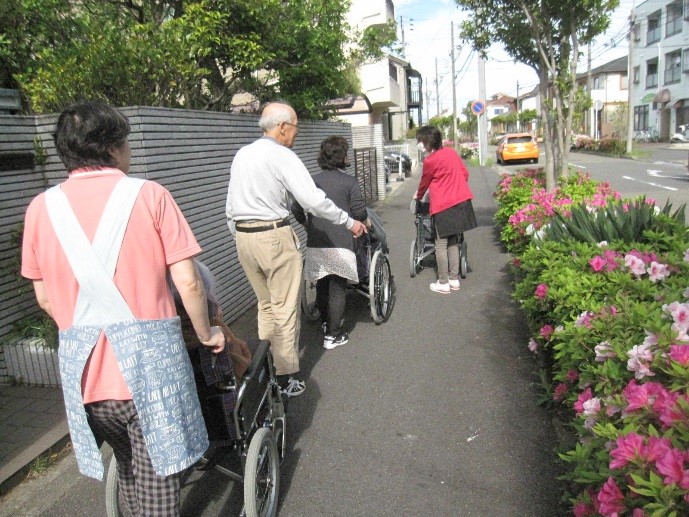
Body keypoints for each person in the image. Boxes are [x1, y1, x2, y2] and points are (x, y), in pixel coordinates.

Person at [21, 100, 225, 516]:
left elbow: (44, 297)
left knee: (131, 473)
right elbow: (188, 281)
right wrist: (207, 334)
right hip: (149, 379)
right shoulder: (150, 195)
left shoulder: (41, 208)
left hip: (87, 381)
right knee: (158, 494)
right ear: (113, 147)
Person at [226, 102, 367, 397]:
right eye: (295, 127)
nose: (295, 133)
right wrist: (348, 221)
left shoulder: (243, 154)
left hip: (243, 236)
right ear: (281, 127)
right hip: (272, 235)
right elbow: (312, 200)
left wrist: (239, 234)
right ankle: (286, 376)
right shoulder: (281, 155)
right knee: (286, 309)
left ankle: (265, 364)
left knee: (265, 305)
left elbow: (230, 204)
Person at [292, 136, 370, 349]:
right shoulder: (350, 182)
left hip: (317, 241)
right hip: (341, 242)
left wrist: (307, 225)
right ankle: (333, 335)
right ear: (343, 156)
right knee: (337, 288)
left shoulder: (312, 182)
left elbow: (296, 208)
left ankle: (326, 324)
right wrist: (360, 222)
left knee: (323, 284)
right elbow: (360, 211)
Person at [414, 125, 477, 294]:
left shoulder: (430, 161)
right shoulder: (451, 152)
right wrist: (455, 186)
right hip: (462, 201)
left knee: (440, 243)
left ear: (427, 143)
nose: (419, 144)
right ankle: (453, 279)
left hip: (444, 205)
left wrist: (418, 197)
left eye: (420, 141)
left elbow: (424, 183)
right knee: (454, 241)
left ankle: (443, 282)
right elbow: (464, 174)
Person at [169, 259, 252, 380]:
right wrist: (244, 350)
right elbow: (240, 364)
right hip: (222, 388)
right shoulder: (213, 328)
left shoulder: (170, 335)